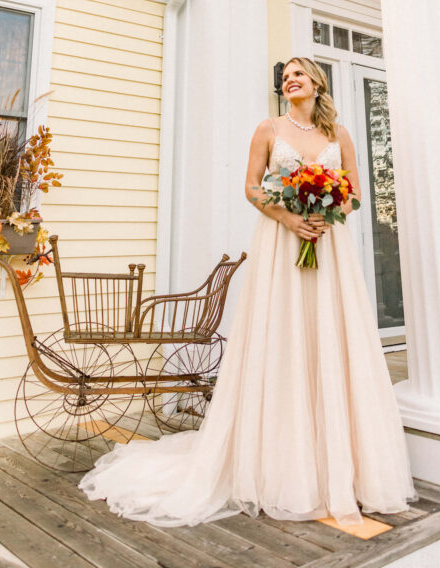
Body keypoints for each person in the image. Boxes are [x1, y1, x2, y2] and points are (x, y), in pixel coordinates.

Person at [79, 57, 414, 526]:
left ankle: (342, 465)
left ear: (316, 82)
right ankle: (280, 461)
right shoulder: (268, 129)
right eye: (285, 76)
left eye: (298, 73)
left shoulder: (338, 135)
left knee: (332, 335)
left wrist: (329, 211)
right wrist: (290, 216)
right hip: (282, 241)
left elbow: (356, 191)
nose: (289, 79)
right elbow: (252, 188)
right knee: (283, 336)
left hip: (328, 242)